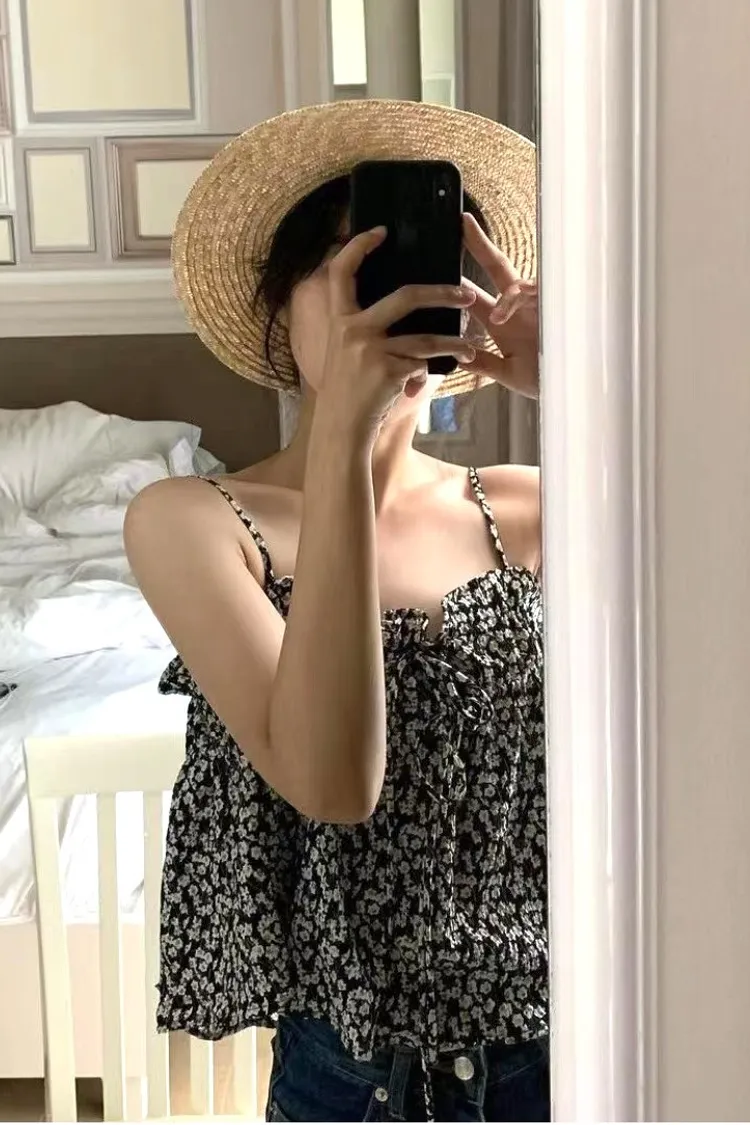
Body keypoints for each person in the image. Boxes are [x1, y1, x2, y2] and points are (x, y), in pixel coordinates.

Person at [125, 99, 547, 1123]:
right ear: (285, 305)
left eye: (426, 268)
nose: (395, 300)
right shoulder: (194, 521)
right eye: (366, 268)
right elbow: (333, 782)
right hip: (349, 1080)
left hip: (564, 1052)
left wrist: (586, 389)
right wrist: (345, 444)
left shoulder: (533, 507)